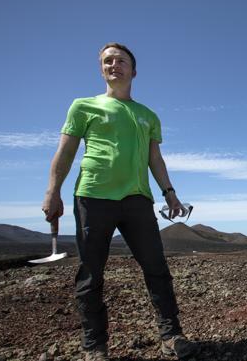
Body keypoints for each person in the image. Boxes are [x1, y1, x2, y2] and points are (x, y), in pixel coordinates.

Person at [42, 43, 197, 360]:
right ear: (102, 69)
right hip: (93, 197)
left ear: (133, 71)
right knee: (90, 273)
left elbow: (155, 158)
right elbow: (66, 152)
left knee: (157, 268)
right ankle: (94, 347)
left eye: (121, 60)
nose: (114, 65)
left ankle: (172, 336)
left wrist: (170, 192)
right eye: (107, 61)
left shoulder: (148, 115)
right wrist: (52, 190)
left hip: (138, 199)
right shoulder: (83, 106)